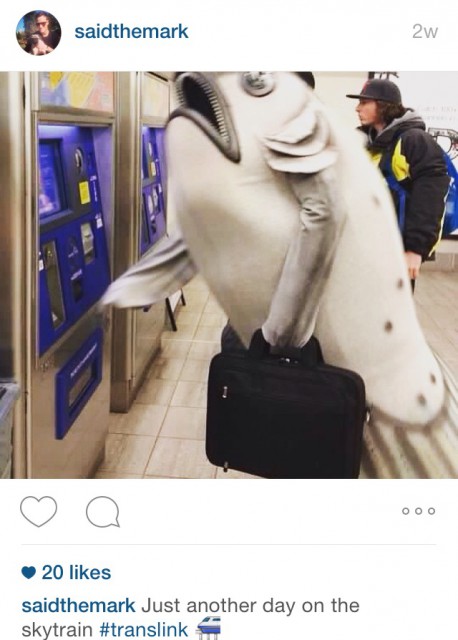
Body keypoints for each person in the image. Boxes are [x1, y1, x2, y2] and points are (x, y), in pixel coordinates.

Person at [346, 78, 450, 289]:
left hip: (397, 253)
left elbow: (429, 197)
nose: (357, 108)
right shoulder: (364, 140)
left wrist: (415, 249)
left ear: (383, 105)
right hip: (363, 250)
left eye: (364, 102)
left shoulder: (414, 140)